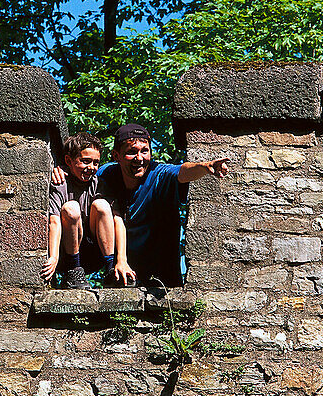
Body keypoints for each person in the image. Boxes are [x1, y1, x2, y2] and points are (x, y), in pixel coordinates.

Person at [96, 123, 230, 287]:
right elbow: (80, 178)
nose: (140, 158)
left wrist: (204, 167)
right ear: (116, 155)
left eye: (145, 151)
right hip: (122, 274)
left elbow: (183, 171)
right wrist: (61, 173)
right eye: (132, 152)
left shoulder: (160, 173)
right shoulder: (106, 174)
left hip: (160, 278)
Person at [41, 133, 133, 289]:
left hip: (94, 252)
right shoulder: (60, 183)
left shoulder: (99, 184)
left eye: (96, 163)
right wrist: (53, 257)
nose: (91, 167)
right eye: (85, 161)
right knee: (71, 208)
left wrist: (121, 260)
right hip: (67, 253)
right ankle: (74, 271)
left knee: (102, 205)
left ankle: (110, 269)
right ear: (69, 161)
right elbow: (54, 221)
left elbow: (117, 220)